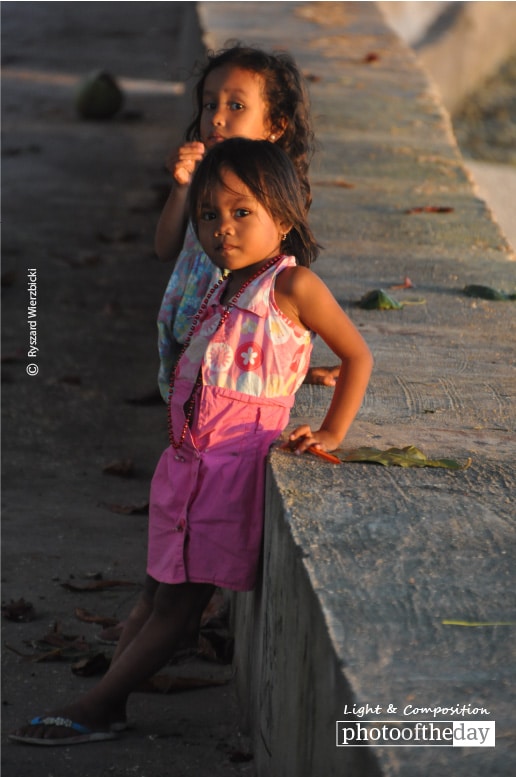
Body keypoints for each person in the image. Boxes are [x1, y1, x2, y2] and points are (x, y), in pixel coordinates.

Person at [9, 138, 372, 746]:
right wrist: (298, 370)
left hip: (228, 477)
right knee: (154, 593)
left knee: (178, 607)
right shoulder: (224, 285)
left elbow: (358, 355)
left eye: (241, 212)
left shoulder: (294, 286)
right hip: (186, 466)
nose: (221, 229)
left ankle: (99, 706)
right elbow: (243, 360)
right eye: (209, 215)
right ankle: (110, 697)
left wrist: (333, 428)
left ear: (283, 218)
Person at [154, 43, 340, 401]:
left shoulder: (269, 194)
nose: (217, 118)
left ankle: (294, 372)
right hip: (189, 332)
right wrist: (180, 189)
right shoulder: (203, 178)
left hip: (239, 340)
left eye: (236, 106)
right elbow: (164, 249)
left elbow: (280, 291)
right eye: (210, 105)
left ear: (275, 126)